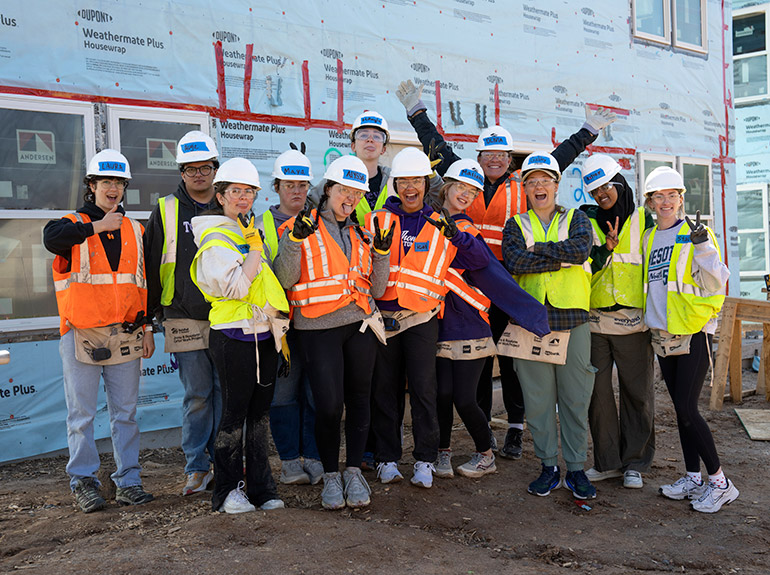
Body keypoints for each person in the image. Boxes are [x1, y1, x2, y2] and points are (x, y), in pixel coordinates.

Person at [396, 79, 616, 459]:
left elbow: (559, 158)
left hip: (511, 284)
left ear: (510, 159)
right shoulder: (465, 179)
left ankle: (516, 426)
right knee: (478, 362)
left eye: (501, 155)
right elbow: (437, 148)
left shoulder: (522, 183)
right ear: (478, 158)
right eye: (487, 155)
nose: (494, 161)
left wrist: (588, 131)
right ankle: (482, 428)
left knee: (514, 358)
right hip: (469, 288)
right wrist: (416, 112)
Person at [365, 147, 487, 489]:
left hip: (421, 318)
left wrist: (456, 235)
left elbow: (478, 259)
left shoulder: (439, 220)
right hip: (385, 317)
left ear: (425, 183)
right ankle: (388, 459)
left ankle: (424, 460)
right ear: (395, 184)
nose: (409, 187)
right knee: (385, 390)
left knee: (423, 390)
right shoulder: (377, 220)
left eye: (416, 180)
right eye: (403, 180)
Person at [273, 155, 390, 510]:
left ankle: (352, 470)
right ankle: (330, 474)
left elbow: (379, 289)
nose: (351, 198)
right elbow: (283, 279)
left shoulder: (362, 233)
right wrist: (294, 241)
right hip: (317, 328)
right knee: (327, 405)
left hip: (360, 325)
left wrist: (382, 254)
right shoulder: (300, 227)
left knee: (359, 400)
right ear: (328, 190)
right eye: (344, 190)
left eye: (357, 192)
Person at [44, 149, 155, 513]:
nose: (113, 188)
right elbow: (51, 238)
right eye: (106, 181)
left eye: (119, 182)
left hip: (126, 335)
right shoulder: (72, 224)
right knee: (83, 415)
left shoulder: (136, 229)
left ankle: (129, 481)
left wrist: (149, 326)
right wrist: (96, 227)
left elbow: (145, 282)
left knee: (125, 413)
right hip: (82, 335)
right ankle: (84, 481)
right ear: (91, 186)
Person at [433, 159, 550, 479]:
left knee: (464, 398)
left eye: (472, 192)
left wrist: (455, 233)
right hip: (438, 325)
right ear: (447, 187)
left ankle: (486, 454)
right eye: (461, 188)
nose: (466, 195)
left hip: (470, 326)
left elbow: (480, 259)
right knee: (442, 394)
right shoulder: (430, 220)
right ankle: (442, 452)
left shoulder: (466, 227)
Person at [190, 158, 289, 513]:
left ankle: (262, 488)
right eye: (236, 191)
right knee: (233, 416)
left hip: (263, 334)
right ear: (221, 195)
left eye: (249, 191)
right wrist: (255, 251)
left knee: (260, 417)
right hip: (233, 336)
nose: (243, 198)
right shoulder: (215, 238)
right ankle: (228, 491)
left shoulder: (248, 231)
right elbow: (235, 287)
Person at [641, 167, 738, 513]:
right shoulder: (650, 237)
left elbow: (715, 282)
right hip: (663, 333)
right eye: (658, 196)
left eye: (672, 196)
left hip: (692, 332)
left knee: (686, 408)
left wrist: (702, 248)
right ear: (650, 202)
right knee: (682, 412)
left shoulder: (697, 234)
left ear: (681, 199)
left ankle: (720, 483)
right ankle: (693, 477)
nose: (665, 202)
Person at [502, 152, 596, 500]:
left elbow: (581, 251)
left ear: (557, 185)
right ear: (524, 188)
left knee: (575, 398)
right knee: (538, 400)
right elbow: (514, 260)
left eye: (545, 180)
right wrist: (557, 256)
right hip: (529, 320)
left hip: (572, 318)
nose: (539, 186)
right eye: (532, 181)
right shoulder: (515, 224)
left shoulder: (578, 218)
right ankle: (548, 466)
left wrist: (538, 252)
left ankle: (575, 468)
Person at [145, 131, 222, 496]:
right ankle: (196, 467)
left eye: (204, 167)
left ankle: (223, 460)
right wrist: (151, 316)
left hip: (226, 313)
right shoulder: (165, 209)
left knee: (224, 391)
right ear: (181, 172)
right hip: (182, 314)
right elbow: (150, 263)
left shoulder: (229, 205)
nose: (198, 174)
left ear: (214, 168)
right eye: (190, 169)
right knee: (197, 393)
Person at [578, 154, 656, 489]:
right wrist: (603, 251)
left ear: (620, 184)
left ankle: (635, 463)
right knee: (596, 394)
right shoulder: (584, 220)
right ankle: (607, 462)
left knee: (637, 393)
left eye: (605, 187)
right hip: (594, 322)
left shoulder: (644, 220)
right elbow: (579, 267)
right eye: (594, 191)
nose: (601, 195)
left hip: (633, 323)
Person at [256, 148, 323, 486]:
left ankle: (313, 455)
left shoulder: (321, 221)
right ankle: (289, 461)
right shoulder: (261, 225)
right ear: (276, 187)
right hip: (281, 325)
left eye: (301, 185)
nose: (296, 191)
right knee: (283, 395)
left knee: (314, 393)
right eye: (288, 184)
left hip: (316, 322)